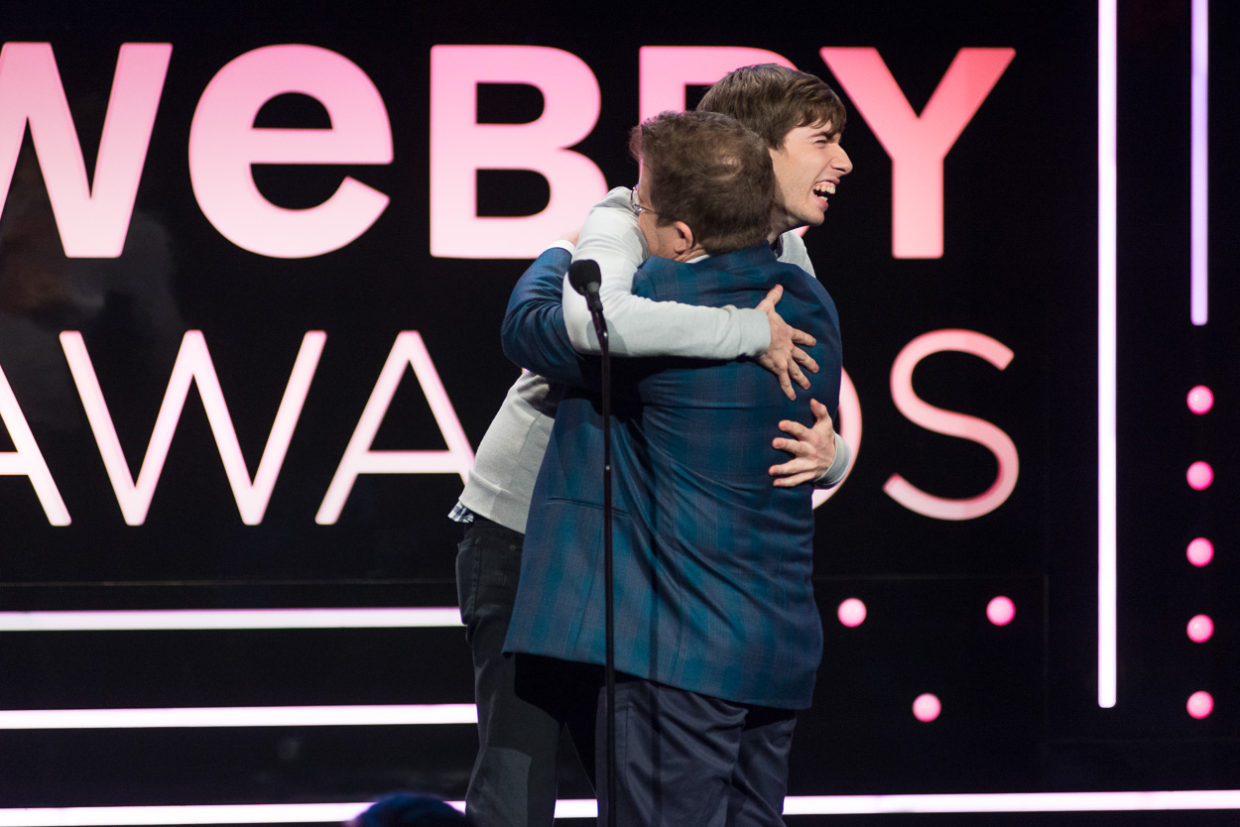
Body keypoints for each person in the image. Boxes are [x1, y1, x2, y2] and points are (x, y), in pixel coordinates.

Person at [451, 63, 852, 827]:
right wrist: (586, 240)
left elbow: (811, 401)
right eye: (823, 141)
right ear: (752, 150)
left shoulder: (789, 267)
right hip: (531, 533)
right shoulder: (641, 240)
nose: (843, 162)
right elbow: (548, 331)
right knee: (518, 791)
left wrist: (831, 455)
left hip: (651, 569)